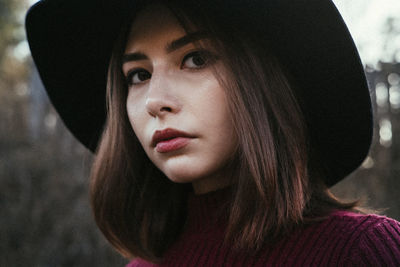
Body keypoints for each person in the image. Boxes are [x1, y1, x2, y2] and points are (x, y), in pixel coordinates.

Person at [26, 0, 400, 266]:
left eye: (195, 59)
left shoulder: (362, 252)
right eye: (138, 75)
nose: (155, 101)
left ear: (263, 82)